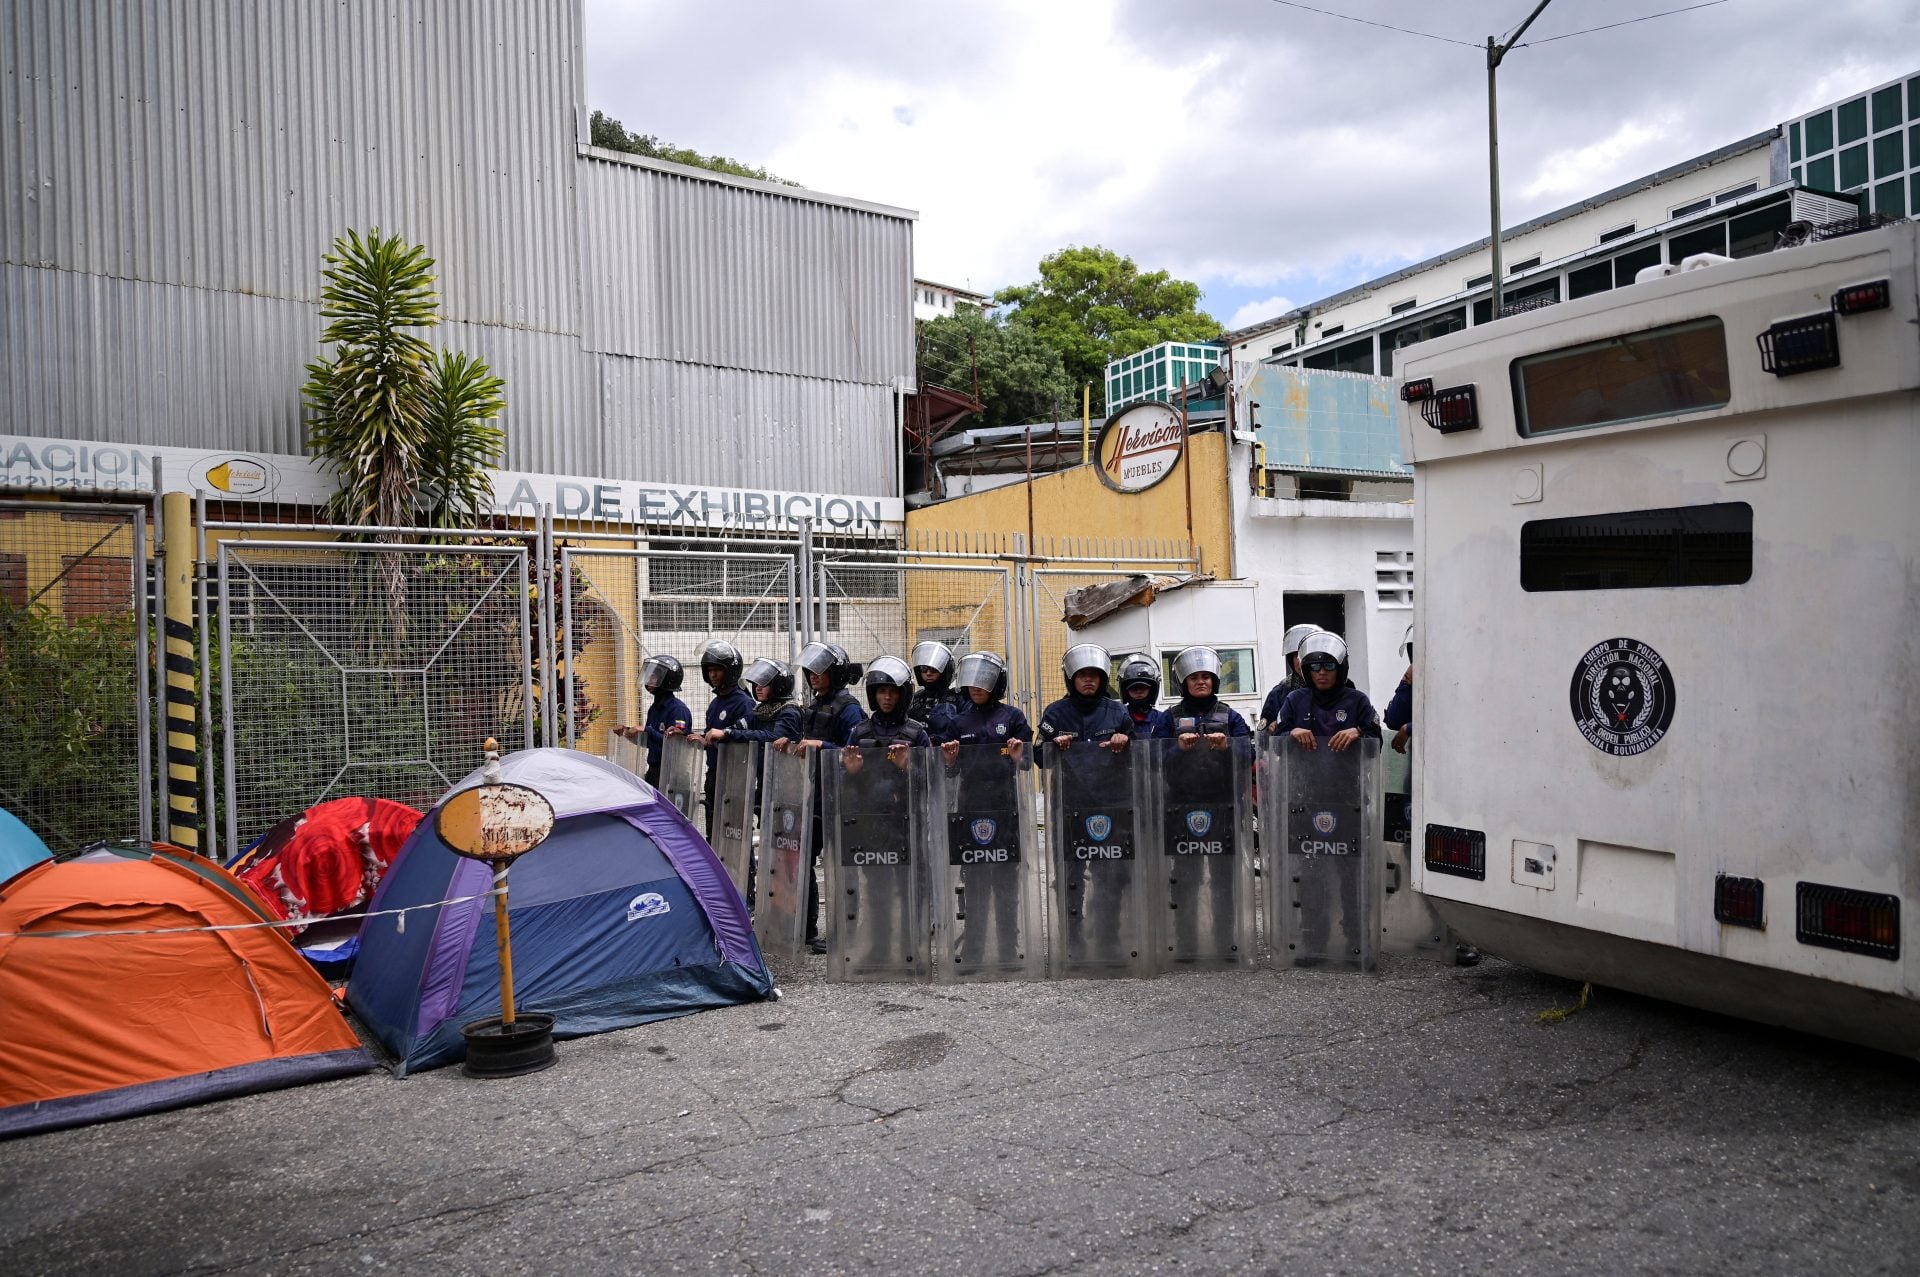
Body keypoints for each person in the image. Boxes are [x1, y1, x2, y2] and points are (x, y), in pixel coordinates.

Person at [933, 651, 1032, 972]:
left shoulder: (1013, 717)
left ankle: (1007, 949)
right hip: (970, 808)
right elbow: (948, 771)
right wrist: (948, 761)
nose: (976, 685)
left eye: (983, 678)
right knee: (974, 883)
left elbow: (1030, 762)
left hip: (1006, 808)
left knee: (1006, 883)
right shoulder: (958, 722)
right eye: (971, 678)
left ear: (997, 682)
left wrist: (1020, 756)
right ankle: (973, 952)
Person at [1041, 644, 1139, 964]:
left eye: (1094, 675)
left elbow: (1139, 751)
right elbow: (1036, 757)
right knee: (1070, 876)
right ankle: (1073, 939)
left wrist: (1127, 742)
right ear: (1071, 678)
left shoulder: (1118, 711)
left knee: (1108, 875)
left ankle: (1108, 939)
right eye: (1082, 675)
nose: (1088, 681)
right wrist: (1053, 745)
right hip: (1069, 805)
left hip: (1110, 805)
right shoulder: (1055, 713)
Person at [831, 657, 929, 966]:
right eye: (881, 691)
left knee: (908, 889)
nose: (886, 697)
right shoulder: (858, 733)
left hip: (905, 824)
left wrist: (908, 768)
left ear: (903, 695)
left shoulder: (917, 735)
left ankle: (910, 949)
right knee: (875, 891)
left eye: (892, 692)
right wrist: (852, 771)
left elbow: (930, 783)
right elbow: (845, 784)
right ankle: (880, 950)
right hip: (871, 826)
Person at [1162, 646, 1253, 958]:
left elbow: (1248, 755)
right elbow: (1153, 759)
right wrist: (1178, 750)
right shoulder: (1169, 718)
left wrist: (1228, 746)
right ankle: (1186, 945)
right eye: (1194, 677)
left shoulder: (1231, 716)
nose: (1201, 682)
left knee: (1224, 881)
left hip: (1223, 808)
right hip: (1181, 808)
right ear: (1183, 682)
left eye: (1206, 677)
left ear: (1215, 680)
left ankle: (1225, 943)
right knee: (1185, 880)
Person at [777, 642, 865, 953]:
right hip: (812, 795)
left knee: (841, 867)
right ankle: (806, 927)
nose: (814, 675)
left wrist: (820, 746)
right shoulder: (813, 705)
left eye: (821, 670)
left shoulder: (849, 708)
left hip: (840, 797)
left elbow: (857, 754)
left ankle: (845, 932)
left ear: (836, 673)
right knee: (802, 862)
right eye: (811, 670)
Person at [695, 640, 756, 840]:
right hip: (714, 774)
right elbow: (709, 738)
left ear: (729, 671)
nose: (712, 675)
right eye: (710, 670)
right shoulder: (715, 704)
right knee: (714, 832)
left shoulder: (744, 703)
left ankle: (746, 871)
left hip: (735, 777)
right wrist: (696, 738)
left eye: (717, 670)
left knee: (735, 833)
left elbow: (747, 738)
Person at [638, 654, 691, 788]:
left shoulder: (677, 710)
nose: (649, 680)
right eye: (649, 675)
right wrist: (629, 733)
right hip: (654, 771)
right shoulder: (654, 709)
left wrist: (647, 730)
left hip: (672, 775)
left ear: (667, 679)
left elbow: (676, 746)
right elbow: (652, 742)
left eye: (654, 677)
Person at [1259, 623, 1322, 733]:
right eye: (1295, 655)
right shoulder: (1280, 692)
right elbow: (1264, 738)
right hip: (1292, 750)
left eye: (1306, 653)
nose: (1300, 659)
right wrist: (1273, 729)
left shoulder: (1341, 688)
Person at [907, 640, 963, 737]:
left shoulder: (958, 699)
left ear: (945, 670)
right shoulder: (914, 700)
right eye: (924, 668)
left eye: (934, 668)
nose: (928, 673)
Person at [1117, 652, 1170, 739]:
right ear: (1125, 691)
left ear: (1152, 690)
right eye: (1133, 688)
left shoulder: (1162, 718)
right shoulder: (1118, 719)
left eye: (1143, 687)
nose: (1138, 691)